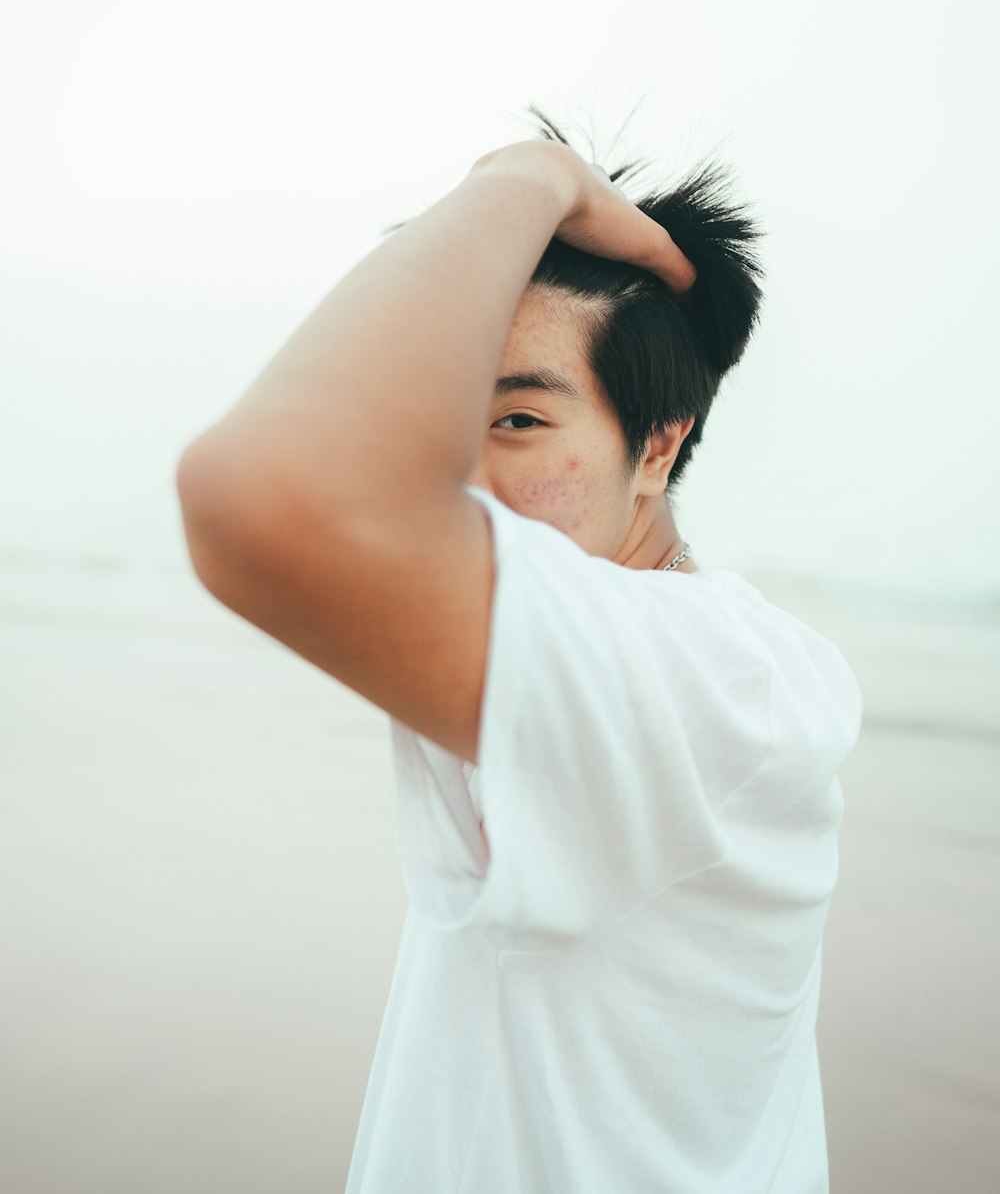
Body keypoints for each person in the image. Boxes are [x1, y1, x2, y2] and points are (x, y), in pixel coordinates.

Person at [176, 104, 862, 1193]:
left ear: (659, 441)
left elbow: (270, 496)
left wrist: (524, 178)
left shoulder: (711, 679)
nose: (459, 477)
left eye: (516, 423)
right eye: (451, 425)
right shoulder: (635, 656)